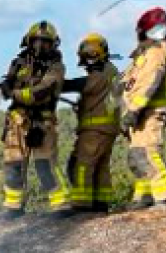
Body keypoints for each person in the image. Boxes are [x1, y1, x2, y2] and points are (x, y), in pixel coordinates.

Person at [0, 20, 73, 220]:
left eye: (45, 42)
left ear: (53, 44)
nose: (40, 46)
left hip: (42, 122)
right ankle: (13, 206)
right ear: (28, 42)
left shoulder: (57, 67)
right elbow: (10, 80)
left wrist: (13, 93)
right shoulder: (18, 63)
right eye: (36, 41)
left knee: (44, 165)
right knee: (13, 165)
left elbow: (42, 91)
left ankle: (60, 204)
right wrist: (5, 83)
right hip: (17, 121)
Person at [121, 7, 166, 211]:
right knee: (137, 155)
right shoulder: (149, 53)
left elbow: (149, 83)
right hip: (144, 111)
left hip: (150, 111)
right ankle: (144, 196)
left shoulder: (156, 53)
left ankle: (164, 199)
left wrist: (133, 110)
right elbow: (131, 81)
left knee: (148, 153)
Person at [63, 34, 121, 213]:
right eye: (87, 55)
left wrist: (54, 84)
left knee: (82, 165)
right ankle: (100, 204)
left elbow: (80, 84)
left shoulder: (101, 74)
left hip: (95, 130)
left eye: (92, 55)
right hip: (108, 128)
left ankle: (82, 206)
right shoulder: (111, 71)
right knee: (100, 167)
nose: (89, 60)